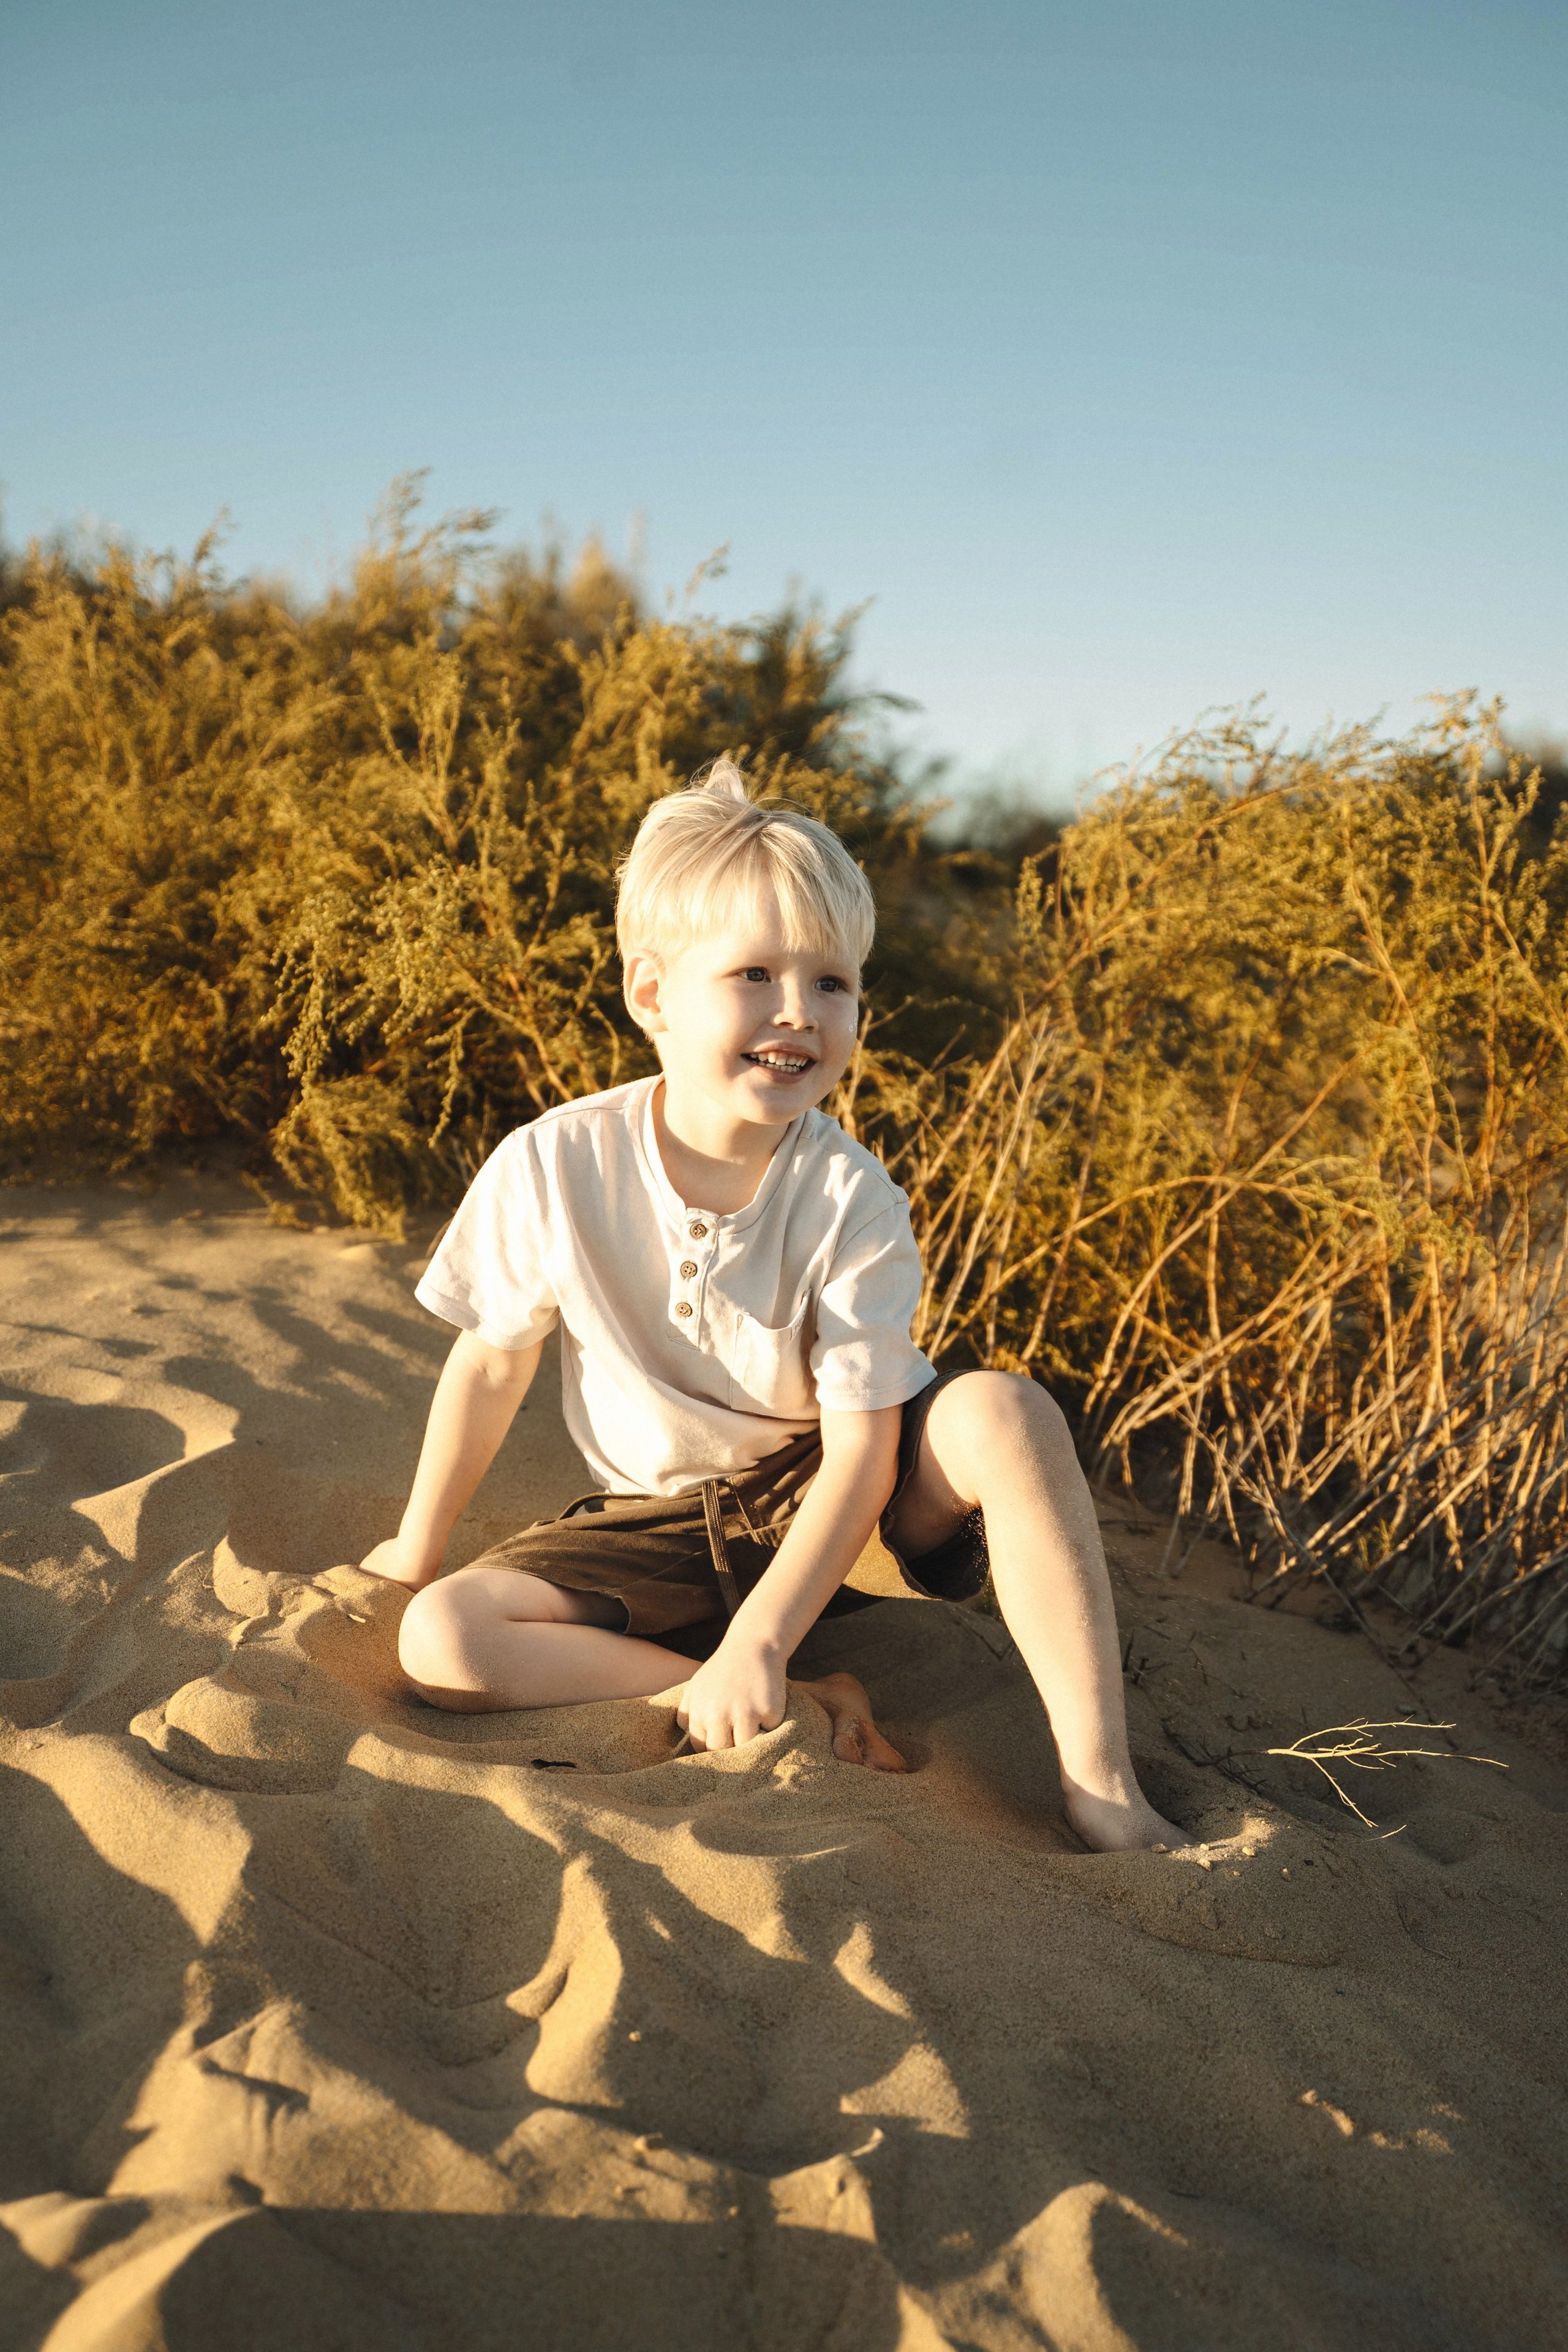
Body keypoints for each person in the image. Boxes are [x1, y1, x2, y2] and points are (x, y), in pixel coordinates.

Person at [362, 762, 1180, 1852]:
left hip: (829, 1506)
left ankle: (1101, 1785)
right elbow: (492, 1362)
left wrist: (768, 1622)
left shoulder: (851, 1197)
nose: (799, 1011)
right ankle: (791, 1691)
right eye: (754, 972)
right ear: (651, 993)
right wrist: (417, 1547)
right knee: (443, 1641)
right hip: (653, 1525)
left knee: (1004, 1412)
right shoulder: (555, 1163)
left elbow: (860, 1457)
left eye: (833, 983)